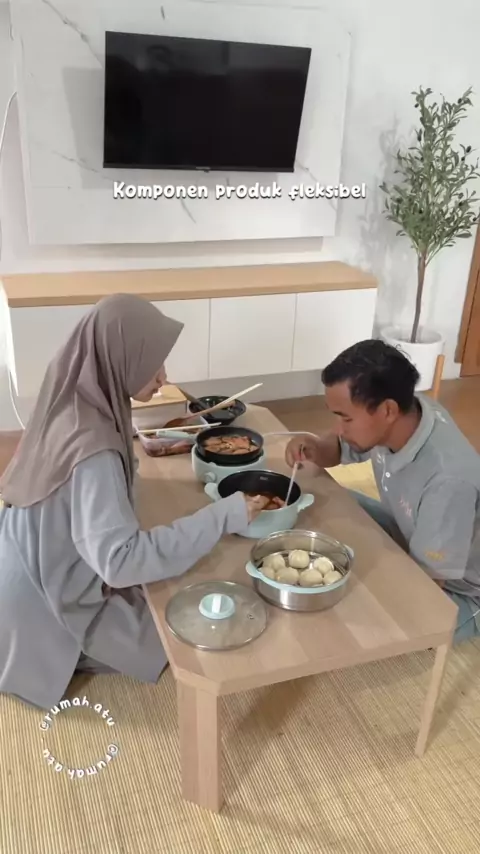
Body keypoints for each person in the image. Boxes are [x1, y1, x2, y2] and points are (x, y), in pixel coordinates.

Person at [0, 294, 264, 710]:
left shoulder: (74, 393)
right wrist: (223, 515)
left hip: (20, 565)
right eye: (152, 362)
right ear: (119, 357)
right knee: (184, 624)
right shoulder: (93, 448)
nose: (163, 376)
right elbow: (121, 562)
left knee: (173, 570)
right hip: (40, 602)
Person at [285, 339, 480, 644]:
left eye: (346, 418)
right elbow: (339, 447)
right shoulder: (409, 412)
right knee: (325, 501)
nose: (339, 428)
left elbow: (428, 591)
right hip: (409, 533)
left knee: (353, 622)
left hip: (460, 592)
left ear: (388, 410)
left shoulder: (448, 481)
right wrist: (316, 447)